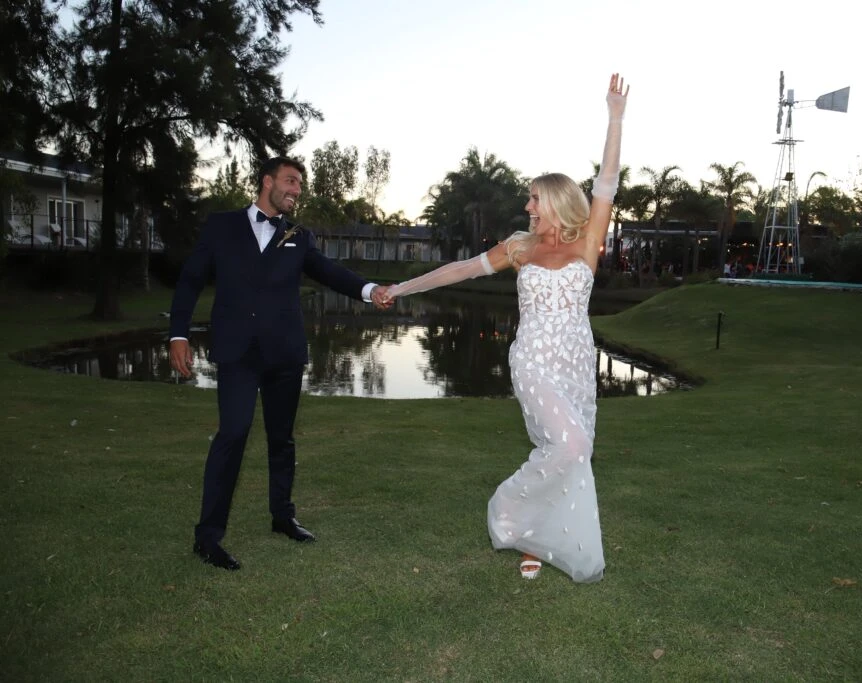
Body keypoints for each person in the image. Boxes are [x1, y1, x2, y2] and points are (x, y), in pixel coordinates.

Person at [383, 73, 629, 583]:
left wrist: (615, 116)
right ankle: (508, 510)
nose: (527, 208)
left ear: (556, 203)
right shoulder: (521, 247)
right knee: (572, 446)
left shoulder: (586, 244)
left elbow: (607, 182)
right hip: (533, 360)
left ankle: (534, 536)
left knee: (560, 449)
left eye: (534, 200)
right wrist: (402, 289)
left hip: (576, 360)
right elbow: (461, 270)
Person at [168, 156, 391, 571]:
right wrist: (178, 334)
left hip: (284, 353)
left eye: (300, 185)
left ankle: (282, 516)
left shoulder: (298, 235)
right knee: (232, 434)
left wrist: (371, 289)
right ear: (267, 181)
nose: (297, 190)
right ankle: (208, 537)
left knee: (282, 438)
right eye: (291, 181)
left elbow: (330, 272)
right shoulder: (221, 226)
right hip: (238, 353)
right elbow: (190, 280)